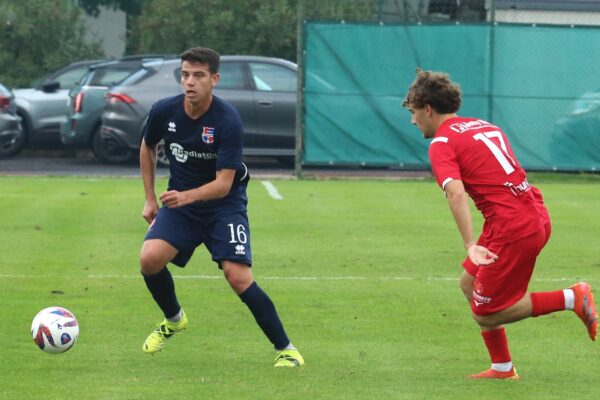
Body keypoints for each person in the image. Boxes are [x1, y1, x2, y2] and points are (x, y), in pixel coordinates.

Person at [402, 68, 597, 379]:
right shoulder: (483, 125)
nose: (412, 120)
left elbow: (455, 193)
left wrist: (470, 244)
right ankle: (503, 368)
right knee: (468, 284)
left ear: (428, 109)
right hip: (528, 212)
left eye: (413, 112)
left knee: (487, 313)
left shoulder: (441, 143)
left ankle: (572, 297)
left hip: (513, 227)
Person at [138, 46, 303, 367]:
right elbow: (147, 147)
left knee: (238, 276)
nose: (190, 82)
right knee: (149, 259)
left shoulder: (227, 119)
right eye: (185, 74)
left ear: (214, 79)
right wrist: (149, 197)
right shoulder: (164, 111)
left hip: (223, 205)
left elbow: (224, 183)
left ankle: (287, 349)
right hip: (181, 203)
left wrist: (184, 196)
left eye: (198, 76)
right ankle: (174, 319)